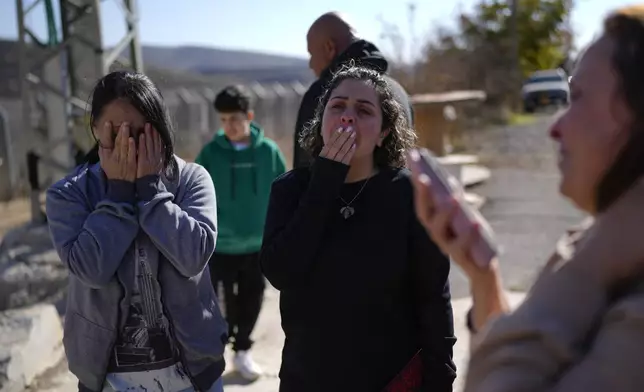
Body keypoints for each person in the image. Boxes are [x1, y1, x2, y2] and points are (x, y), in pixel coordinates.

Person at [409, 5, 644, 391]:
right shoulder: (606, 247)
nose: (555, 127)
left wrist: (591, 262)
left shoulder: (617, 280)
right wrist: (485, 279)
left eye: (578, 96)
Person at [260, 64, 456, 392]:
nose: (347, 117)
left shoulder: (410, 195)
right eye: (337, 106)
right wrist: (325, 181)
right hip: (307, 380)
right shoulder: (290, 190)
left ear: (383, 132)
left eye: (364, 110)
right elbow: (281, 272)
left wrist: (441, 381)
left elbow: (434, 299)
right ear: (321, 120)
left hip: (392, 380)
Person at [46, 71, 227, 392]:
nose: (128, 143)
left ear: (160, 130)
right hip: (106, 378)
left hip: (193, 372)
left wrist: (151, 191)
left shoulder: (191, 181)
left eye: (140, 132)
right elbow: (90, 270)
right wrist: (117, 194)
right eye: (116, 132)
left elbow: (193, 257)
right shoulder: (70, 194)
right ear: (94, 129)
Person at [195, 85, 286, 381]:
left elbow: (285, 192)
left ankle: (243, 351)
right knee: (221, 303)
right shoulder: (210, 153)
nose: (229, 126)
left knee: (253, 298)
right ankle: (219, 350)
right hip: (221, 246)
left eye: (234, 118)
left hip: (258, 244)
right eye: (223, 120)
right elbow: (196, 194)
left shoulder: (269, 152)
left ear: (249, 116)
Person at [293, 11, 414, 169]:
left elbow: (304, 170)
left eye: (311, 54)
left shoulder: (324, 92)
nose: (310, 64)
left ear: (330, 48)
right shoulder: (398, 91)